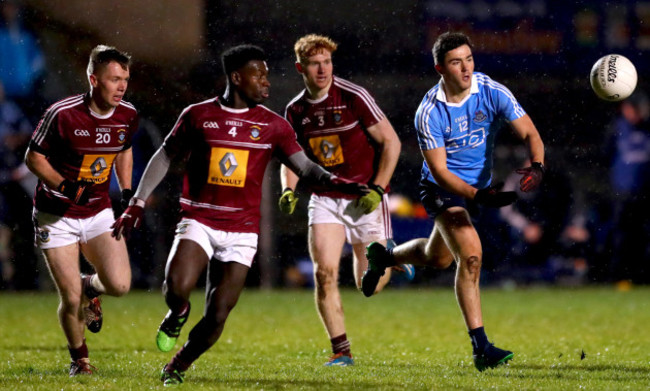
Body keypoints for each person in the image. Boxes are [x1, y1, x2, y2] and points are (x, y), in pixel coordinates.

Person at [111, 44, 367, 386]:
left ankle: (178, 364)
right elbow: (163, 156)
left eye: (266, 74)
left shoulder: (273, 125)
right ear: (236, 77)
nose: (266, 81)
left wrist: (343, 184)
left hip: (242, 230)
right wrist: (138, 201)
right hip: (199, 218)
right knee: (177, 287)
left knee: (218, 314)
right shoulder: (198, 115)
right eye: (258, 75)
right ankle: (178, 312)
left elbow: (305, 166)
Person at [361, 32, 545, 371]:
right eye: (456, 62)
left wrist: (537, 166)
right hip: (442, 189)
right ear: (439, 68)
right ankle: (481, 348)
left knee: (438, 258)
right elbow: (441, 171)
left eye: (469, 59)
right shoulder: (428, 111)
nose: (466, 68)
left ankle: (384, 256)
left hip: (477, 190)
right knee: (471, 256)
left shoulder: (490, 91)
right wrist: (478, 195)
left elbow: (531, 132)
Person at [278, 34, 404, 366]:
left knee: (369, 286)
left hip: (364, 196)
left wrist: (378, 189)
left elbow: (391, 142)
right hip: (325, 198)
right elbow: (292, 158)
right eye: (315, 63)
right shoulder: (295, 110)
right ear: (300, 68)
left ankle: (389, 257)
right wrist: (288, 189)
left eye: (327, 62)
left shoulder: (352, 95)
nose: (322, 69)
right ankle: (341, 351)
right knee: (324, 272)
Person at [24, 45, 137, 376]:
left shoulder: (128, 114)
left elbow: (123, 149)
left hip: (98, 211)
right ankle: (80, 360)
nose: (121, 87)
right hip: (55, 215)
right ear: (93, 79)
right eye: (114, 79)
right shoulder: (63, 113)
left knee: (119, 285)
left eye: (125, 79)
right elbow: (33, 157)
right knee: (71, 299)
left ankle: (91, 286)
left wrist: (127, 191)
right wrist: (65, 186)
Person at [605, 91, 650, 284]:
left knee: (644, 236)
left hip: (646, 193)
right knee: (623, 236)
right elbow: (606, 156)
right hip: (623, 193)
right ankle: (621, 277)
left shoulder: (648, 128)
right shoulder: (617, 129)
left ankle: (643, 277)